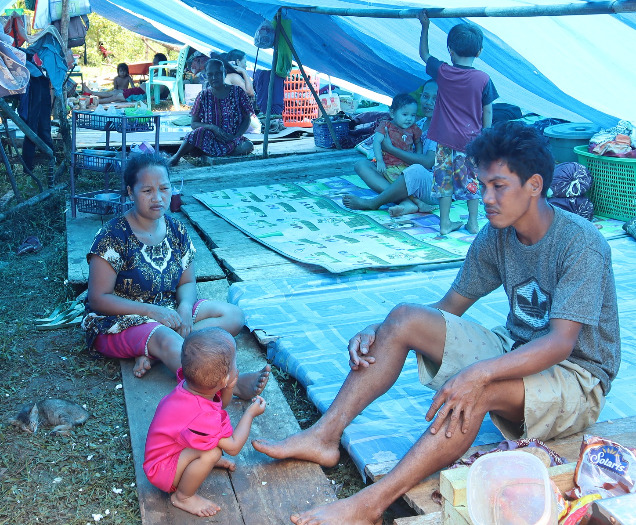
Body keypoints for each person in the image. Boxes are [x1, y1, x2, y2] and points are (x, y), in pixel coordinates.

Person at [253, 121, 620, 525]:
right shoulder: (496, 236)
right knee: (404, 317)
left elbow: (559, 344)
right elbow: (448, 306)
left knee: (476, 391)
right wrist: (380, 330)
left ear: (534, 185)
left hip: (577, 378)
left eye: (499, 186)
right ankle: (324, 436)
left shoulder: (581, 243)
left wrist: (478, 374)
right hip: (517, 349)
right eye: (482, 186)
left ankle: (370, 504)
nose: (486, 198)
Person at [83, 152, 270, 399]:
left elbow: (187, 281)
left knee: (233, 315)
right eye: (147, 191)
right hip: (118, 321)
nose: (157, 198)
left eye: (164, 188)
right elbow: (98, 299)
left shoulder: (176, 229)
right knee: (169, 340)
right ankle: (229, 388)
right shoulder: (112, 237)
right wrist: (152, 312)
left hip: (166, 307)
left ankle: (153, 352)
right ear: (130, 192)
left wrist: (184, 308)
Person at [144, 328, 267, 517]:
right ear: (223, 379)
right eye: (235, 362)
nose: (237, 365)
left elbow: (220, 404)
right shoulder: (202, 415)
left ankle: (197, 463)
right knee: (212, 452)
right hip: (161, 470)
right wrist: (249, 414)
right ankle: (183, 497)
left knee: (211, 450)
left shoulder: (190, 386)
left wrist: (230, 386)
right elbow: (233, 446)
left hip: (168, 453)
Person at [419, 13, 498, 235]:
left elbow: (424, 54)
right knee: (471, 181)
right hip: (470, 142)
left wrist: (425, 26)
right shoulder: (483, 78)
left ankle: (445, 224)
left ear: (449, 50)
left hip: (444, 140)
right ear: (479, 52)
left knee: (443, 180)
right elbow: (488, 109)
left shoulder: (443, 72)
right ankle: (473, 223)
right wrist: (487, 134)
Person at [343, 81, 439, 216]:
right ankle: (407, 202)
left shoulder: (442, 128)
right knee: (362, 165)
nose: (428, 102)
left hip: (433, 186)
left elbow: (428, 163)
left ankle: (373, 203)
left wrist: (391, 149)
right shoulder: (419, 123)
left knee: (415, 170)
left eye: (435, 98)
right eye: (426, 96)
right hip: (406, 176)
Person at [169, 59, 254, 166]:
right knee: (196, 134)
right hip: (211, 138)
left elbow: (247, 118)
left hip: (232, 139)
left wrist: (236, 136)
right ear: (206, 76)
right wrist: (214, 128)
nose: (214, 78)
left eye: (218, 73)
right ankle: (176, 158)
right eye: (210, 74)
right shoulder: (203, 95)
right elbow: (194, 123)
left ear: (224, 73)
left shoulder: (238, 92)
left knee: (248, 146)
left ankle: (214, 153)